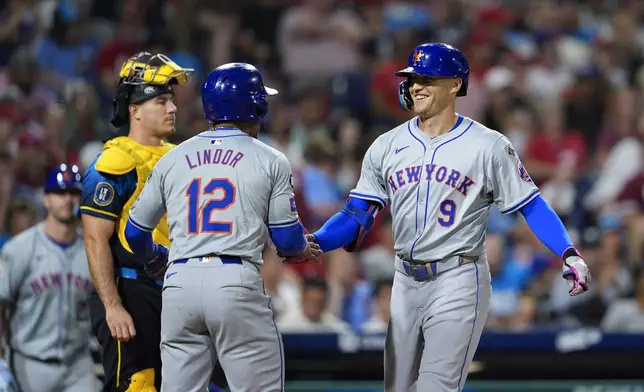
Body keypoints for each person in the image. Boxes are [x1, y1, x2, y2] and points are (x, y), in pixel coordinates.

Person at [307, 42, 591, 391]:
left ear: (455, 84)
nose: (416, 86)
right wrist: (316, 241)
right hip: (404, 280)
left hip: (458, 276)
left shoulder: (488, 144)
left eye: (427, 78)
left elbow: (530, 204)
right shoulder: (385, 145)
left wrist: (569, 252)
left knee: (435, 386)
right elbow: (356, 214)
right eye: (412, 79)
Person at [123, 62, 321, 392]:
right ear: (255, 106)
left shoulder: (173, 157)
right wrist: (303, 248)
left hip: (179, 283)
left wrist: (158, 259)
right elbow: (286, 239)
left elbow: (134, 232)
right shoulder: (271, 158)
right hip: (234, 280)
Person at [80, 52, 193, 392]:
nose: (172, 108)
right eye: (161, 101)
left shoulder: (181, 156)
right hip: (130, 289)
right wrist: (112, 306)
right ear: (135, 109)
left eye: (171, 101)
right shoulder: (115, 161)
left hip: (175, 291)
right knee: (137, 385)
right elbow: (94, 239)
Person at [0, 164, 100, 392]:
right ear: (46, 200)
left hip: (77, 364)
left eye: (74, 193)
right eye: (59, 193)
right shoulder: (19, 249)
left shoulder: (93, 251)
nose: (67, 199)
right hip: (29, 362)